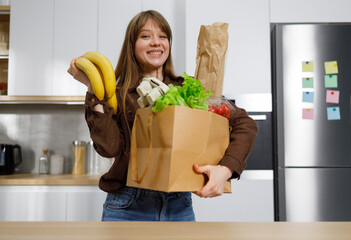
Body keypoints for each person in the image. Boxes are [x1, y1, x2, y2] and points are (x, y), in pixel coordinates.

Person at [67, 10, 257, 222]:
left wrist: (225, 169)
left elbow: (244, 124)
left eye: (162, 36)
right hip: (127, 206)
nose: (155, 42)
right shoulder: (117, 95)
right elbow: (109, 148)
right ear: (132, 45)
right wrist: (94, 92)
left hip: (179, 205)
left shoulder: (190, 88)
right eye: (145, 36)